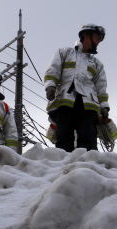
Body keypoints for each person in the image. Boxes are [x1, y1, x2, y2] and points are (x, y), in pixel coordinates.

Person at [44, 24, 110, 152]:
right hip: (65, 102)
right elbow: (53, 71)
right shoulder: (64, 53)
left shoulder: (97, 64)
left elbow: (101, 87)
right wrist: (50, 86)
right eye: (96, 38)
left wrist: (104, 106)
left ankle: (89, 167)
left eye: (99, 40)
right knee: (64, 138)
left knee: (88, 138)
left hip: (88, 105)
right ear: (85, 35)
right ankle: (65, 168)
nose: (97, 42)